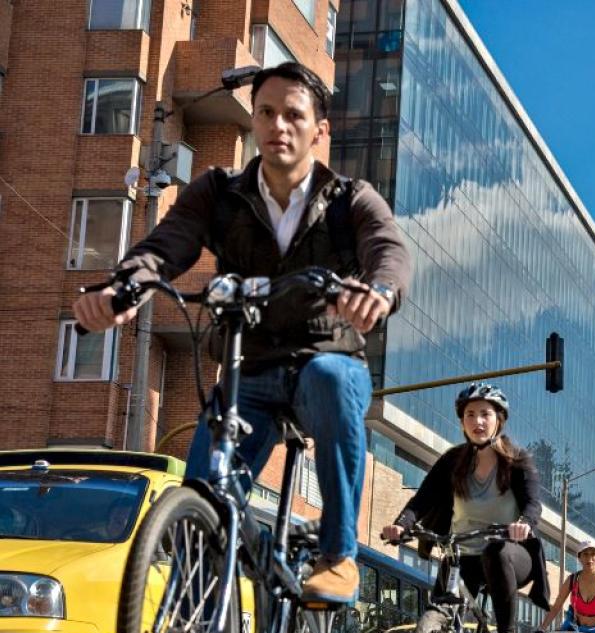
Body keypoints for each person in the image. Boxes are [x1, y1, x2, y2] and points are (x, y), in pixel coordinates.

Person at [72, 61, 410, 605]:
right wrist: (123, 291)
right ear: (254, 121)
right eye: (267, 113)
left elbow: (387, 250)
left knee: (329, 376)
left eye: (294, 115)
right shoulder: (220, 191)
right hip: (247, 368)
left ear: (319, 130)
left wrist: (380, 291)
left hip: (321, 359)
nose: (279, 125)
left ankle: (337, 555)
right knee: (203, 498)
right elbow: (166, 246)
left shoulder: (351, 198)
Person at [381, 383, 549, 633]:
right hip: (463, 555)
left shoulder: (517, 460)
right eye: (470, 415)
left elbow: (534, 504)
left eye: (485, 414)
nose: (478, 421)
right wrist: (401, 525)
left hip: (510, 554)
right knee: (438, 613)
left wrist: (523, 523)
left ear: (499, 419)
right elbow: (421, 500)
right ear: (461, 422)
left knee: (495, 552)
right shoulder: (452, 461)